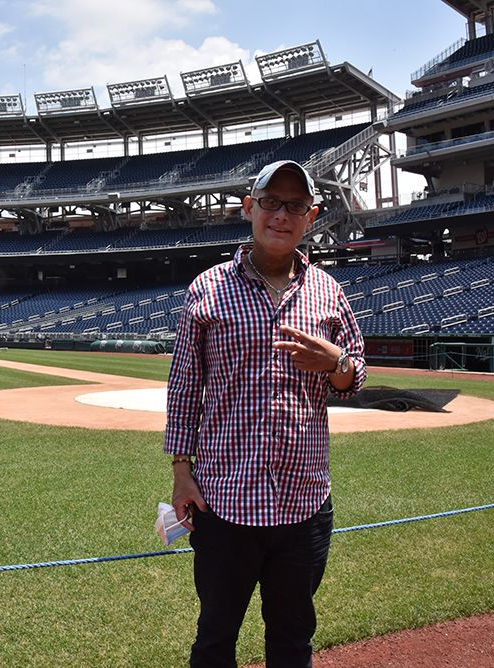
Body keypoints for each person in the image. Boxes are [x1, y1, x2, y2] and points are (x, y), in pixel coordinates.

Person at [165, 160, 367, 668]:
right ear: (250, 208)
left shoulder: (329, 291)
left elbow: (354, 378)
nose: (282, 214)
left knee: (293, 641)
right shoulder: (207, 289)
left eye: (296, 205)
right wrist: (180, 475)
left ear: (312, 215)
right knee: (214, 640)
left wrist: (336, 363)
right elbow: (185, 388)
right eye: (271, 202)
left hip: (304, 504)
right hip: (225, 503)